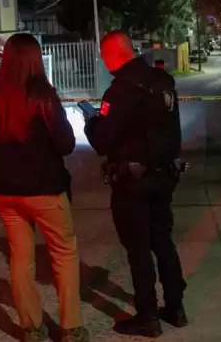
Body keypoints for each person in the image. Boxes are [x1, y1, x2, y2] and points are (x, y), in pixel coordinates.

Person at [0, 33, 89, 342]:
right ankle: (71, 329)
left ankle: (31, 329)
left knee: (20, 258)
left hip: (5, 191)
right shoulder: (43, 95)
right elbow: (66, 144)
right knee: (63, 254)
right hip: (44, 189)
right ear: (35, 59)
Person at [83, 31, 188, 338]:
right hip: (164, 177)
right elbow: (172, 133)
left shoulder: (118, 92)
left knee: (139, 249)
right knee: (163, 241)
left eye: (104, 56)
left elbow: (102, 142)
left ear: (113, 56)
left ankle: (147, 316)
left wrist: (91, 120)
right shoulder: (163, 82)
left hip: (132, 184)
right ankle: (176, 308)